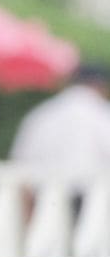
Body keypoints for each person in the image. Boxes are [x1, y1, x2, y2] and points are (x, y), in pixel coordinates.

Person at [10, 62, 110, 216]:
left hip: (45, 199)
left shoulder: (41, 114)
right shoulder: (101, 113)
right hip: (91, 200)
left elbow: (21, 166)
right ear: (100, 85)